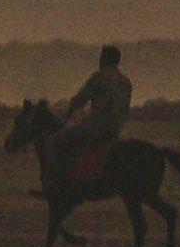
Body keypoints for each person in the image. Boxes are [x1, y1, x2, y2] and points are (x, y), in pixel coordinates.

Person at [44, 44, 132, 181]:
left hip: (96, 128)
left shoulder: (99, 77)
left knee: (53, 141)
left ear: (104, 59)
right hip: (116, 130)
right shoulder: (126, 82)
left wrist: (67, 115)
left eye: (101, 57)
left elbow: (79, 101)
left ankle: (56, 182)